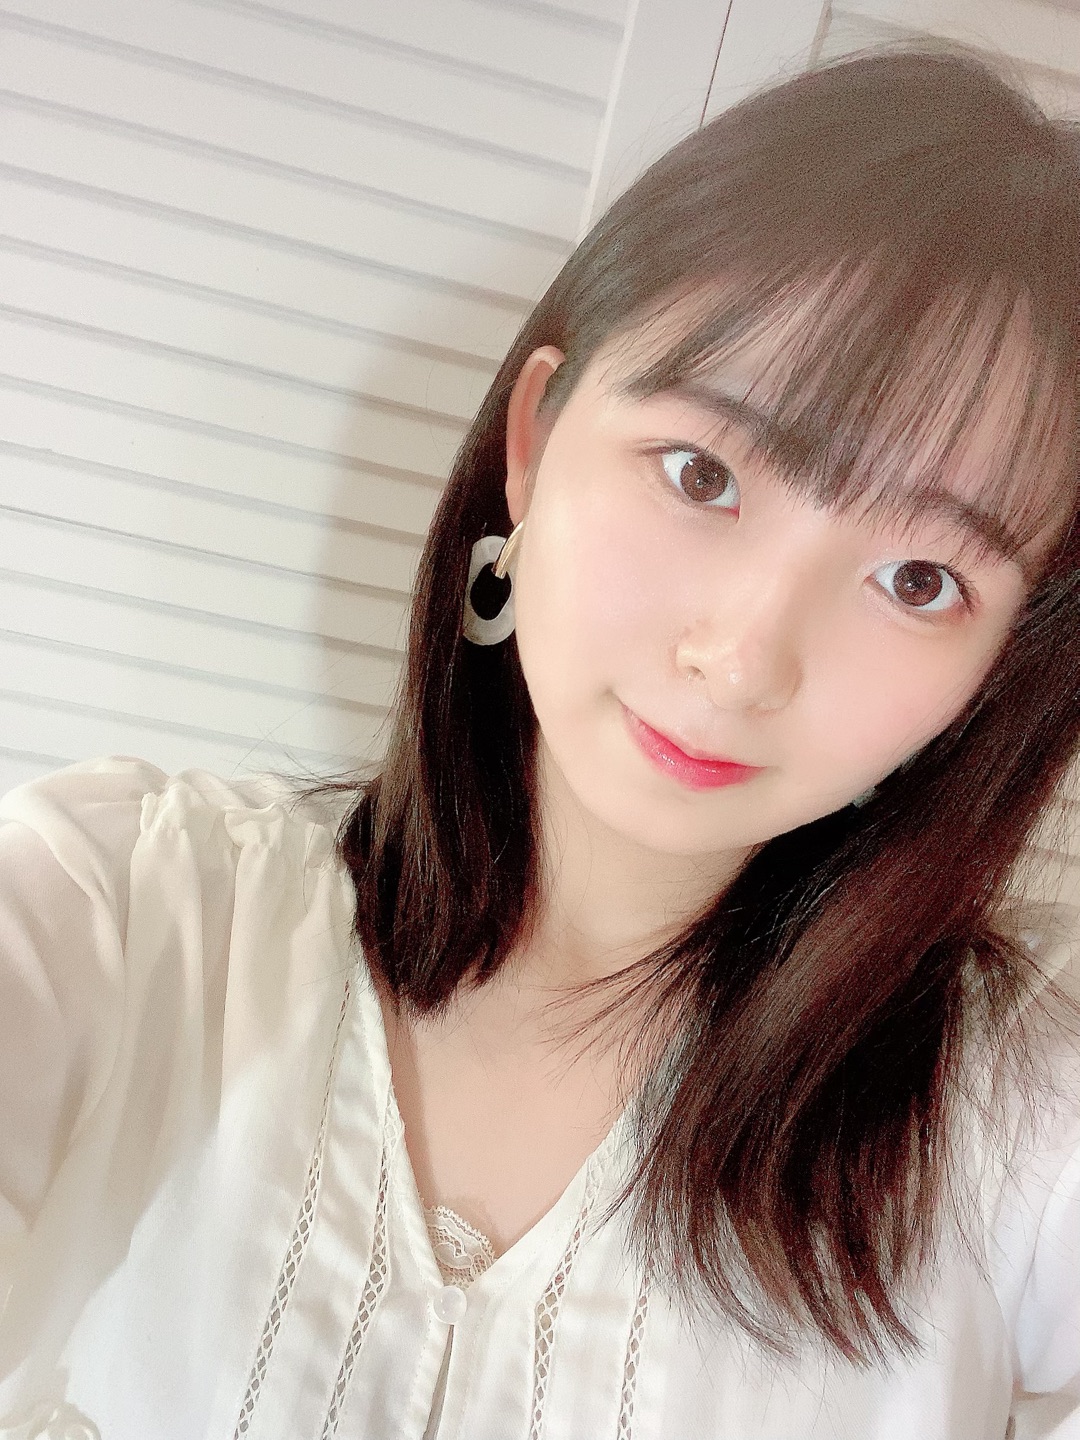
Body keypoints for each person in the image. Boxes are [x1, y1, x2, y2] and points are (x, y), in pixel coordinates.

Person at [1, 43, 1079, 1440]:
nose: (743, 659)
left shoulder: (1014, 1129)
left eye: (920, 581)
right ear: (534, 441)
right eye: (702, 473)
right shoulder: (136, 909)